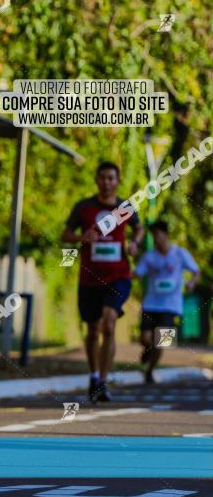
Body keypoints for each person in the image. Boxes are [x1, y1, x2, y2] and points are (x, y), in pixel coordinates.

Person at [62, 162, 144, 403]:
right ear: (96, 180)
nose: (107, 182)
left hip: (118, 275)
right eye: (103, 178)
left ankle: (103, 381)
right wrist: (81, 236)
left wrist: (135, 243)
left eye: (111, 178)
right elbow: (65, 234)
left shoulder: (124, 207)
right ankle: (94, 375)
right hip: (89, 278)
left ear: (118, 182)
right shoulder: (84, 207)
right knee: (92, 329)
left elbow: (139, 229)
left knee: (109, 323)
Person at [132, 220, 199, 383]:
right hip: (151, 304)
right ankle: (147, 352)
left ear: (166, 235)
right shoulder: (149, 256)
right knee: (145, 338)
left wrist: (191, 283)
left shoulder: (180, 254)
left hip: (171, 305)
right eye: (153, 235)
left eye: (158, 235)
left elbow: (196, 271)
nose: (155, 239)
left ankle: (150, 370)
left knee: (162, 342)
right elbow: (137, 273)